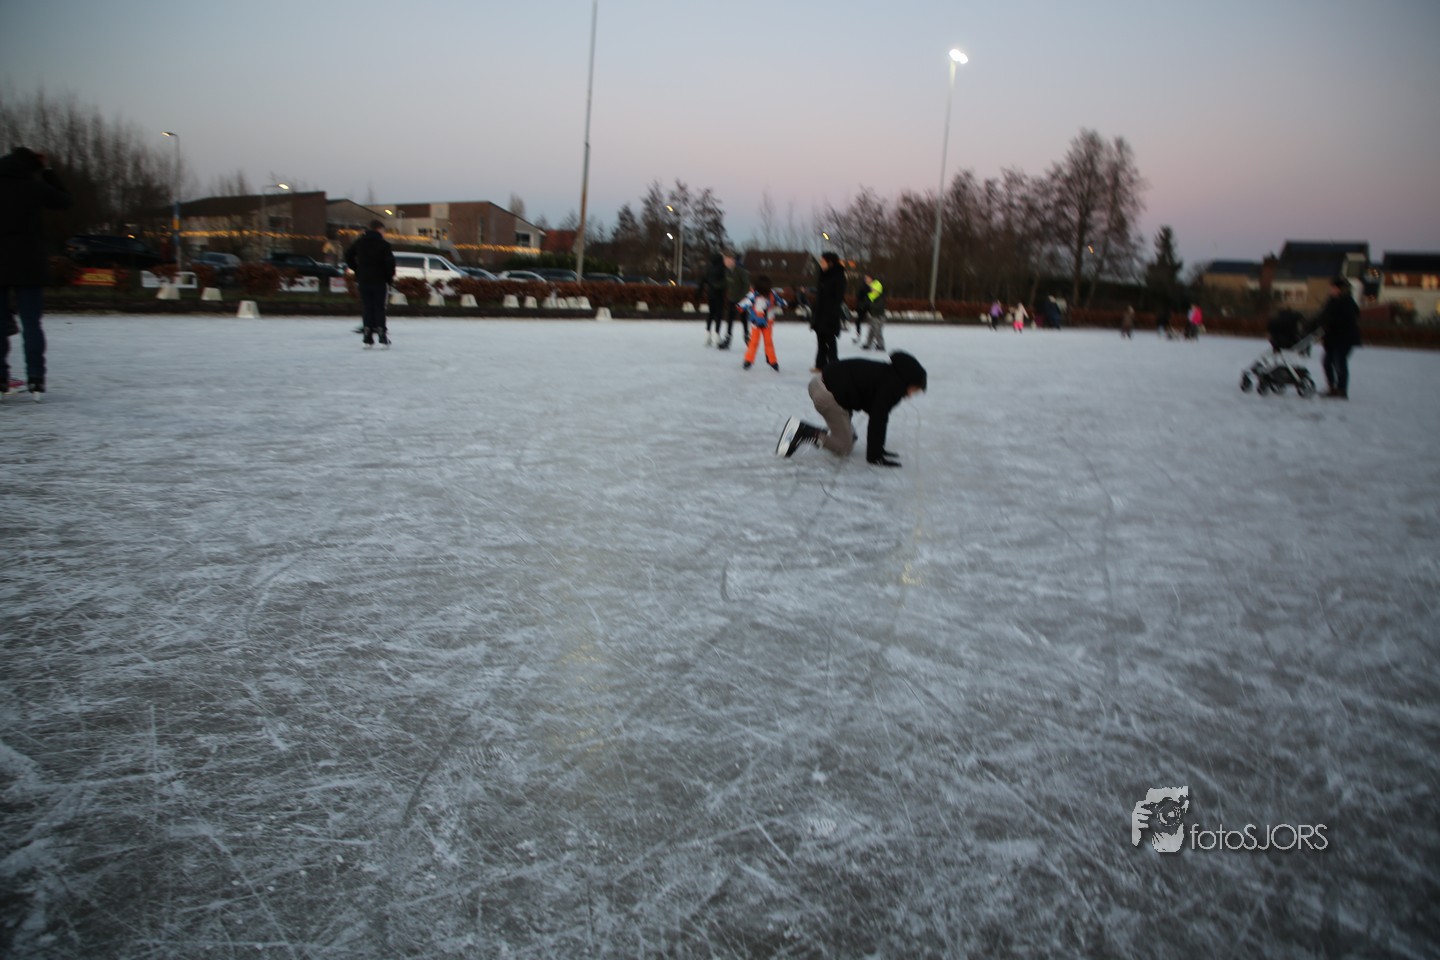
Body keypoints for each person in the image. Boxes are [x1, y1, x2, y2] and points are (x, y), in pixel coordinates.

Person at [1, 146, 72, 399]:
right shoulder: (34, 187)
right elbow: (65, 201)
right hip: (29, 264)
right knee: (31, 324)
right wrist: (48, 170)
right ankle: (36, 378)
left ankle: (1, 377)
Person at [780, 350, 928, 467]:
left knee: (850, 436)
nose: (911, 395)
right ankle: (803, 431)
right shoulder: (892, 388)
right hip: (827, 395)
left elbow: (872, 407)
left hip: (819, 383)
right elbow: (878, 419)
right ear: (909, 382)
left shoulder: (886, 372)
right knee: (844, 447)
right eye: (915, 390)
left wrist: (879, 449)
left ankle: (837, 432)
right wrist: (875, 456)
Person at [344, 220, 396, 348]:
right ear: (379, 229)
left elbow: (348, 256)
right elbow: (390, 263)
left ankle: (367, 335)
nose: (384, 233)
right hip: (379, 279)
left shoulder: (359, 242)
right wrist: (389, 278)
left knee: (367, 307)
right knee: (379, 307)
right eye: (383, 231)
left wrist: (357, 269)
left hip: (364, 279)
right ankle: (382, 334)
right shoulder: (384, 245)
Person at [1316, 276, 1361, 399]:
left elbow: (1346, 320)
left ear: (1340, 289)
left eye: (1333, 288)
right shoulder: (1331, 301)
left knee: (1339, 362)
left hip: (1344, 338)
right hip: (1332, 338)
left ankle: (1341, 390)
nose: (1331, 290)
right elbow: (1322, 316)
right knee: (1327, 362)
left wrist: (1330, 323)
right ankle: (1332, 387)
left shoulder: (1348, 302)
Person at [740, 275, 784, 371]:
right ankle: (748, 360)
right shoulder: (753, 295)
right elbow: (744, 303)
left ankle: (772, 361)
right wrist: (741, 306)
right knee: (754, 342)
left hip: (768, 322)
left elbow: (782, 302)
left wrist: (779, 303)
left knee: (768, 342)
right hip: (756, 322)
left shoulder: (772, 294)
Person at [812, 251, 845, 372]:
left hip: (830, 314)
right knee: (821, 340)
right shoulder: (823, 274)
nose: (821, 264)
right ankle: (820, 364)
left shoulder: (838, 276)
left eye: (823, 261)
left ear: (830, 262)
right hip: (820, 313)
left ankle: (833, 366)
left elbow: (838, 298)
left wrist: (833, 314)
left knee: (830, 341)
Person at [721, 251, 750, 349]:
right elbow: (728, 285)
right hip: (732, 299)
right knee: (729, 319)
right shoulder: (727, 271)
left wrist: (743, 298)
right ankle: (728, 338)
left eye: (727, 260)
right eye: (724, 260)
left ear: (732, 260)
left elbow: (746, 285)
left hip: (742, 300)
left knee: (744, 318)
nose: (725, 262)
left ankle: (747, 337)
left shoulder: (741, 271)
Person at [699, 252, 727, 347]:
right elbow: (726, 281)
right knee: (719, 315)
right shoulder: (723, 268)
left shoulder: (710, 268)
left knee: (711, 314)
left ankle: (708, 335)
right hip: (719, 294)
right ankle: (717, 335)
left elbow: (703, 280)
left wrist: (700, 291)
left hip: (710, 294)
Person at [860, 273, 887, 350]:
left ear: (878, 290)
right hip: (873, 316)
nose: (872, 290)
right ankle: (868, 344)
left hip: (880, 317)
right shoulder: (871, 296)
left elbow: (879, 306)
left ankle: (881, 345)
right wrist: (862, 305)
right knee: (871, 331)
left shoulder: (880, 298)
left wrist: (870, 305)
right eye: (872, 289)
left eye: (874, 289)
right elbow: (866, 303)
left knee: (877, 331)